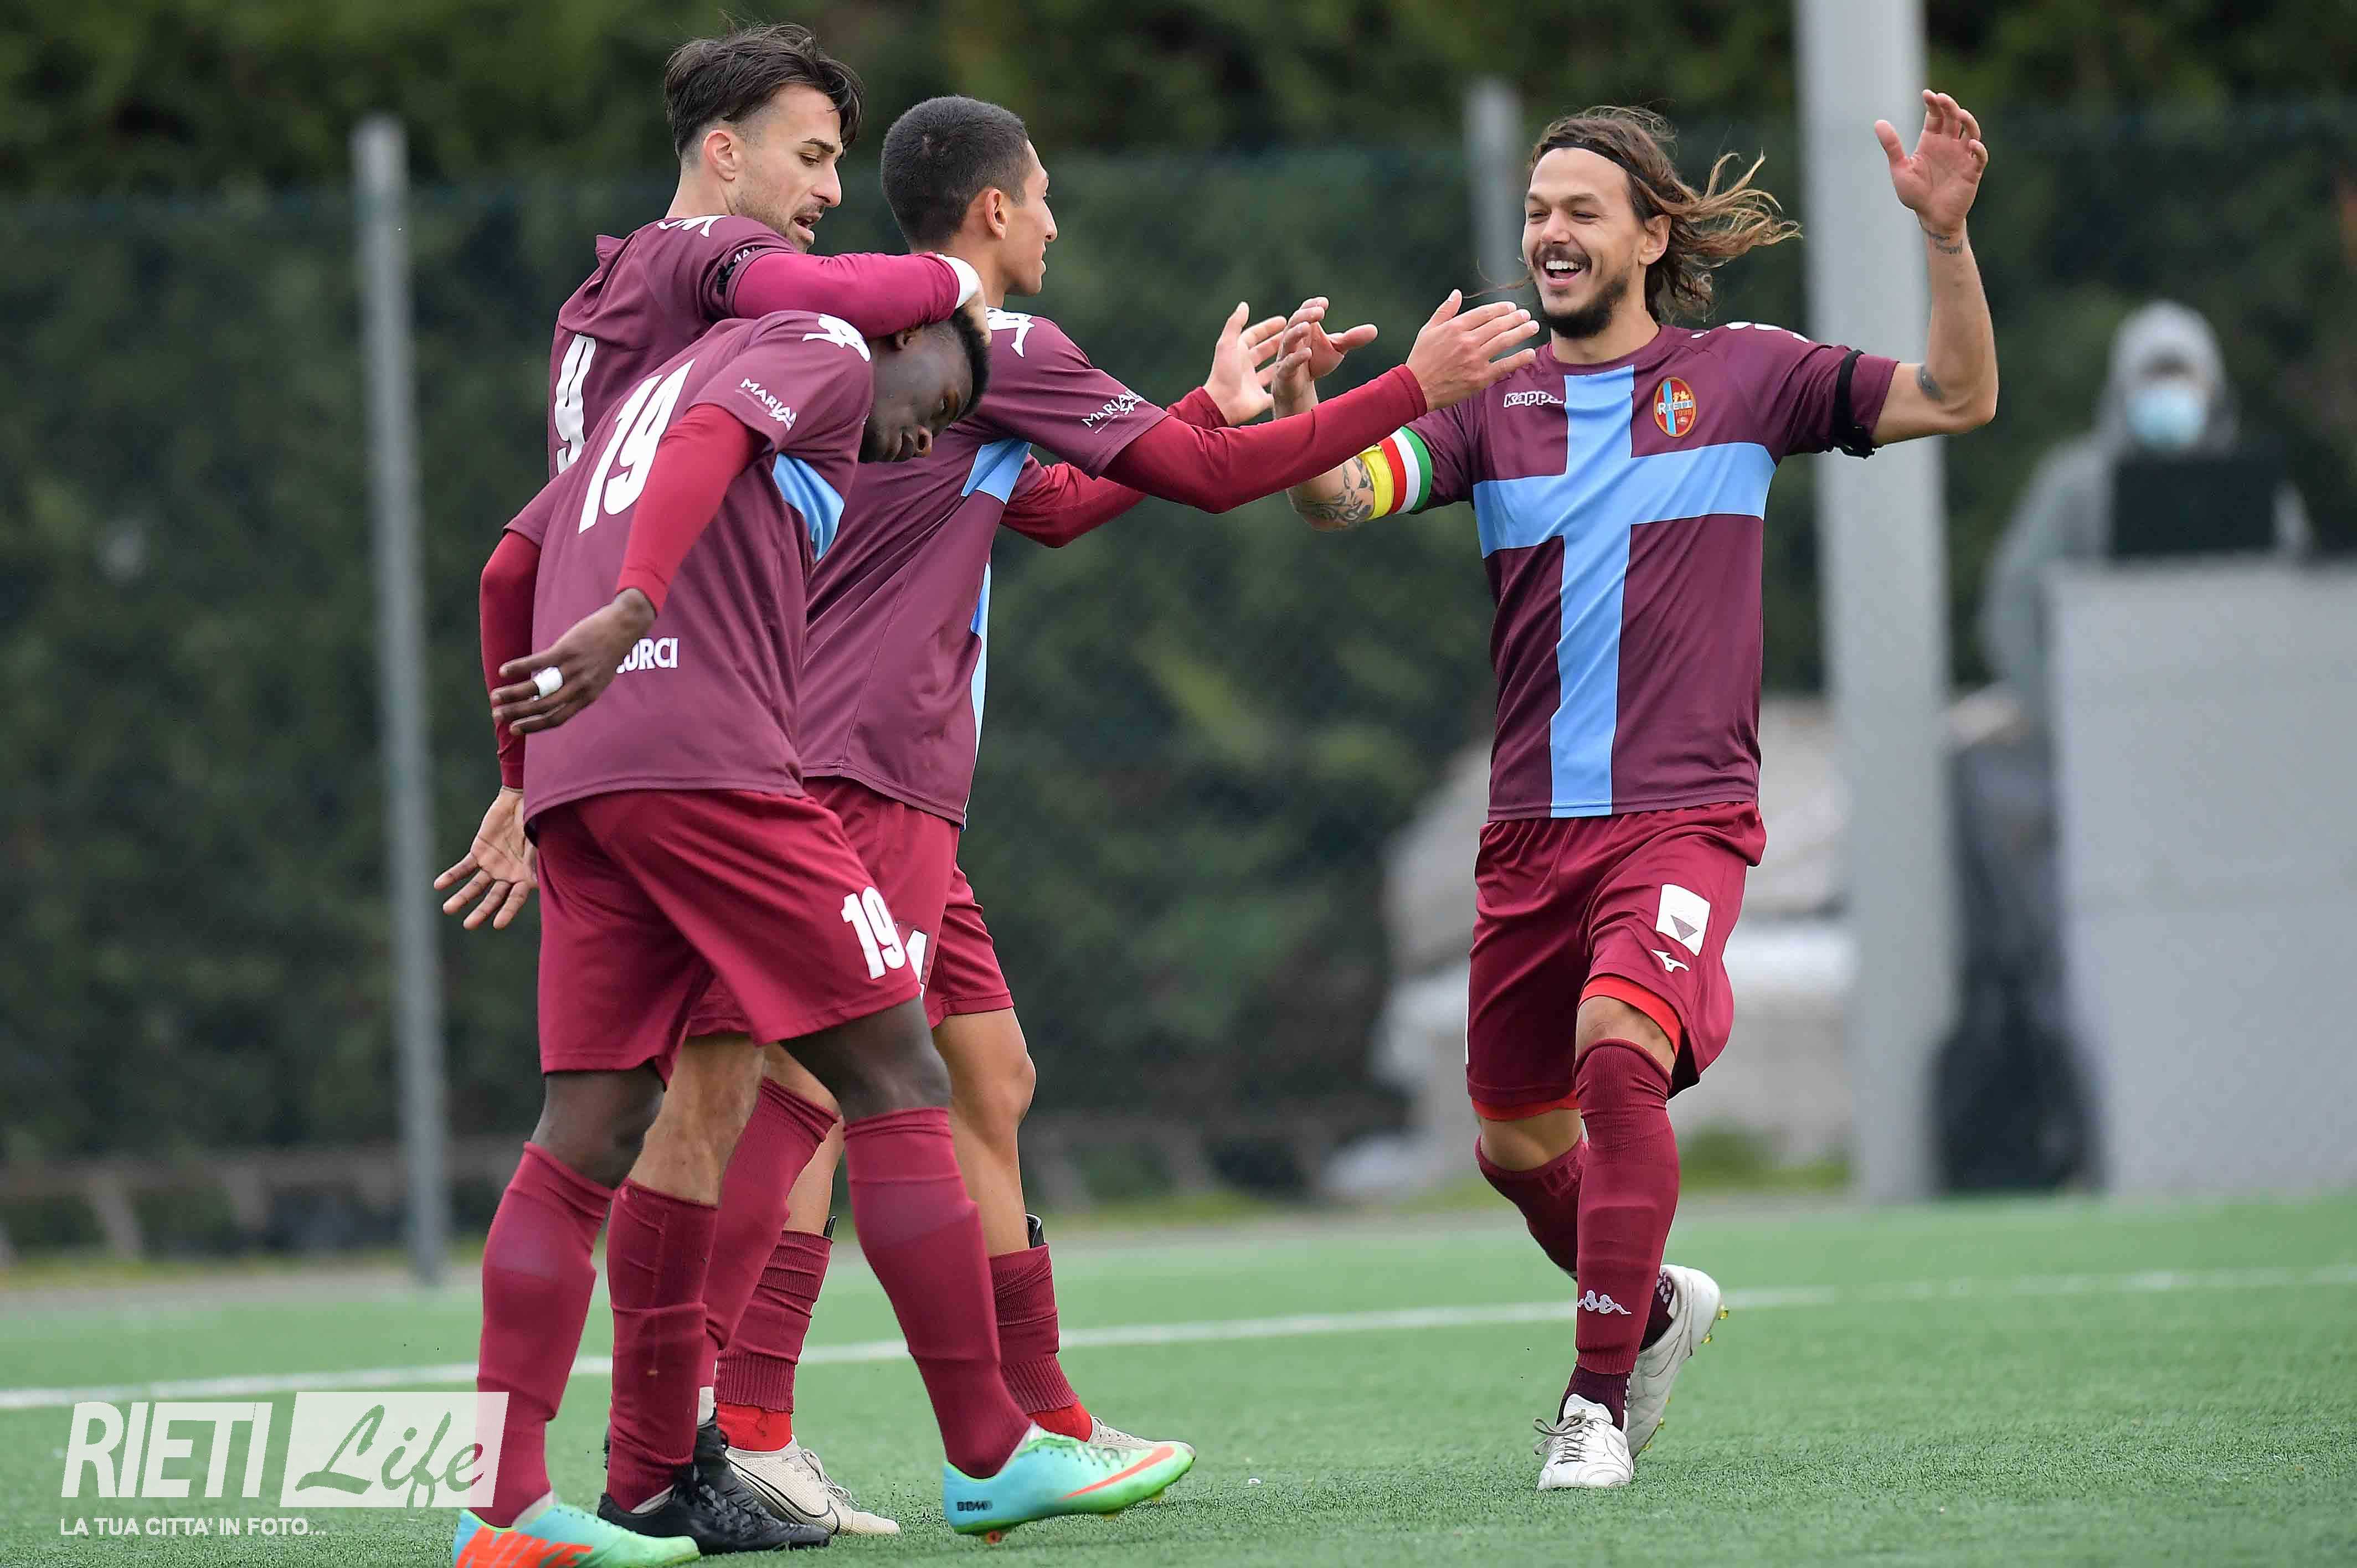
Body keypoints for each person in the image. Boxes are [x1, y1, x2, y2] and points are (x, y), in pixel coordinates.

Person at [693, 91, 1541, 1521]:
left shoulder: (908, 348)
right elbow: (1203, 484)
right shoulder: (1001, 340)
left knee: (990, 1077)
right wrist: (1414, 386)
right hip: (864, 769)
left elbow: (1055, 502)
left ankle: (1044, 1420)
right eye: (1042, 194)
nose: (1056, 219)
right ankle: (744, 1425)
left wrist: (1210, 403)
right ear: (994, 212)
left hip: (864, 769)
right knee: (823, 1088)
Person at [1278, 93, 1998, 1489]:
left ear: (1652, 235)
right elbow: (1334, 499)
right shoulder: (1488, 403)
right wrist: (1310, 414)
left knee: (1620, 1045)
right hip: (1529, 829)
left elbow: (1961, 396)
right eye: (1537, 212)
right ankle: (1655, 1305)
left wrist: (1947, 239)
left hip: (1684, 814)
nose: (1549, 233)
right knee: (1513, 1139)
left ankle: (1594, 1404)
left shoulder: (1747, 375)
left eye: (1580, 211)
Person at [457, 308, 1197, 1566]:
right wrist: (635, 604)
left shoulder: (649, 382)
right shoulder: (808, 343)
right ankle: (977, 1449)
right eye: (932, 402)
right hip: (737, 774)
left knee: (587, 1132)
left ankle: (509, 1504)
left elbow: (504, 571)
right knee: (880, 1072)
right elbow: (715, 439)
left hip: (594, 778)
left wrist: (520, 770)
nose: (917, 435)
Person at [436, 20, 978, 1541]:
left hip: (594, 736)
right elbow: (834, 305)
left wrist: (526, 766)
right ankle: (878, 1442)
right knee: (840, 1077)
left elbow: (524, 552)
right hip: (700, 723)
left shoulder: (599, 311)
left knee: (619, 1118)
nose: (828, 194)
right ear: (722, 153)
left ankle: (560, 1488)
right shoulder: (708, 269)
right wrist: (951, 278)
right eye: (811, 158)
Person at [1978, 298, 2310, 726]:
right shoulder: (2075, 486)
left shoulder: (2255, 489)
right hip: (2110, 712)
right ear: (2123, 388)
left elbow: (2295, 589)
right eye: (2154, 376)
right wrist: (2057, 715)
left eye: (2181, 375)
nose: (2169, 390)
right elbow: (2013, 604)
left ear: (2213, 388)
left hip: (2232, 712)